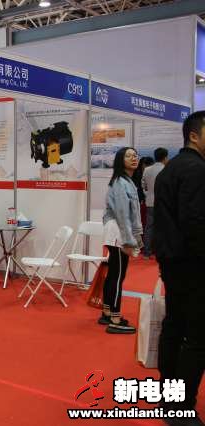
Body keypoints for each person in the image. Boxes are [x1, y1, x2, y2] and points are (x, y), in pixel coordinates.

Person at [154, 111, 205, 426]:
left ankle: (169, 397)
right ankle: (181, 407)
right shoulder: (197, 170)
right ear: (194, 135)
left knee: (174, 327)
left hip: (173, 264)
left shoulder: (169, 171)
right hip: (195, 265)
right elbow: (195, 223)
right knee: (198, 337)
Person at [100, 147, 143, 335]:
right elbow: (123, 215)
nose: (134, 158)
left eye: (135, 155)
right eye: (128, 156)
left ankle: (107, 312)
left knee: (113, 275)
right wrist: (128, 241)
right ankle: (115, 320)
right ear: (120, 160)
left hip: (117, 232)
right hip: (119, 232)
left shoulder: (125, 181)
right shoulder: (121, 183)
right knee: (117, 276)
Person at [141, 147, 168, 258]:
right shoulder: (167, 169)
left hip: (150, 202)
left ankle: (147, 253)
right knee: (163, 228)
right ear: (165, 157)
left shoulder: (147, 170)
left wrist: (147, 194)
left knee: (149, 228)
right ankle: (160, 252)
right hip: (164, 203)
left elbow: (143, 185)